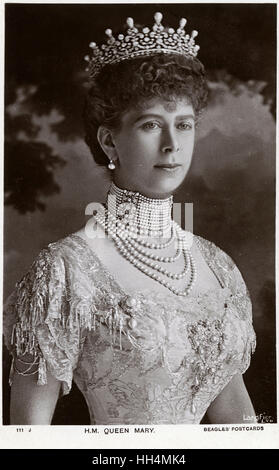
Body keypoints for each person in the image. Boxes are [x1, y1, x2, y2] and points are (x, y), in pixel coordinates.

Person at [3, 12, 257, 425]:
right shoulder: (64, 270)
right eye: (151, 124)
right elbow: (28, 436)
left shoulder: (219, 266)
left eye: (185, 125)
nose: (173, 145)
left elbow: (240, 426)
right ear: (109, 141)